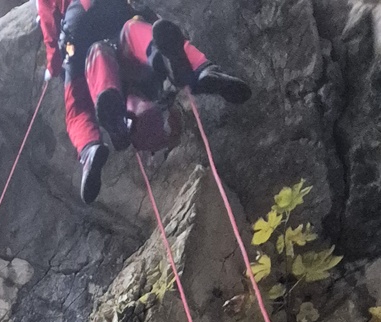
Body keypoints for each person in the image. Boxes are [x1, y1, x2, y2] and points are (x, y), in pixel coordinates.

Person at [36, 0, 251, 203]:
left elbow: (49, 26)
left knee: (82, 98)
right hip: (113, 10)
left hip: (77, 29)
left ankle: (91, 146)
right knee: (136, 32)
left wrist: (53, 66)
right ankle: (197, 69)